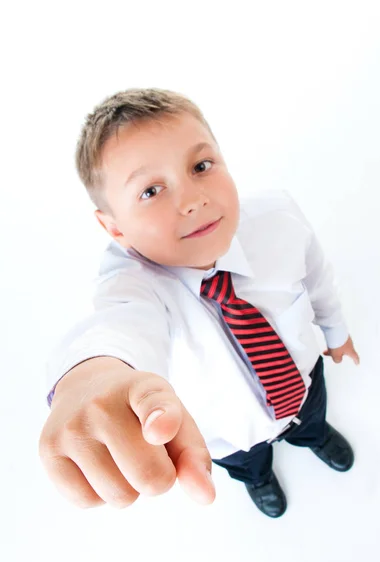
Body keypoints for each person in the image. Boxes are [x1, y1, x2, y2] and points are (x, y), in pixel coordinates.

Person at [39, 87, 360, 518]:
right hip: (230, 436)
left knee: (312, 418)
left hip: (303, 384)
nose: (192, 200)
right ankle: (259, 478)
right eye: (151, 191)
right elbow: (120, 326)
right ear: (114, 228)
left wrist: (335, 331)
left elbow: (317, 276)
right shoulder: (133, 285)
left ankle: (312, 436)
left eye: (201, 166)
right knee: (247, 463)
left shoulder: (277, 219)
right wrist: (89, 375)